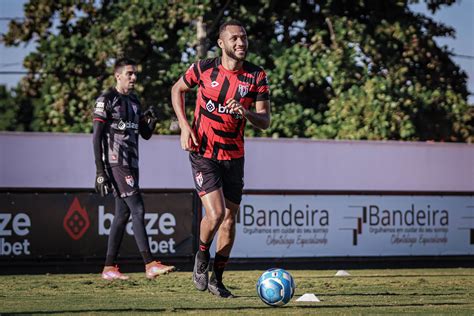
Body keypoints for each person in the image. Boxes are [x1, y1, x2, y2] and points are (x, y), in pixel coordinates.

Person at [171, 20, 271, 297]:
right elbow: (176, 89)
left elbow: (265, 121)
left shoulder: (256, 76)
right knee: (215, 214)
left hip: (234, 156)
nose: (241, 43)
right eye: (235, 38)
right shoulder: (204, 68)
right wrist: (184, 125)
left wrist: (245, 113)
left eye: (244, 38)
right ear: (221, 43)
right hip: (203, 151)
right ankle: (201, 259)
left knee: (229, 219)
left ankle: (217, 278)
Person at [92, 57, 176, 280]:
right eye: (129, 73)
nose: (134, 77)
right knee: (138, 209)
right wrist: (100, 172)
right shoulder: (106, 99)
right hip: (116, 163)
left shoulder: (135, 101)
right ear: (117, 75)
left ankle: (109, 267)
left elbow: (145, 135)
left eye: (135, 73)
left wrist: (151, 123)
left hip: (132, 163)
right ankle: (150, 264)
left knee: (122, 214)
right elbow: (96, 137)